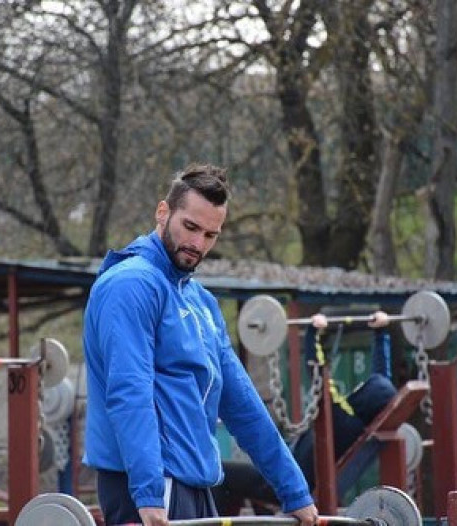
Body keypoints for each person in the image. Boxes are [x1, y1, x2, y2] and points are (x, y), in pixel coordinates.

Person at [82, 163, 318, 526]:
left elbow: (242, 403)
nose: (197, 244)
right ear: (163, 212)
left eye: (210, 235)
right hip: (148, 487)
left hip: (195, 483)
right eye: (190, 227)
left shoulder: (200, 301)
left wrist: (295, 491)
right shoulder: (131, 285)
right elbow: (130, 391)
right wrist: (148, 493)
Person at [212, 311, 397, 514]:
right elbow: (383, 383)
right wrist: (381, 334)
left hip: (284, 481)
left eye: (363, 387)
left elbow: (317, 372)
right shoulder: (362, 420)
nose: (358, 387)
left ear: (364, 395)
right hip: (289, 474)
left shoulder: (340, 417)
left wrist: (313, 332)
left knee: (219, 472)